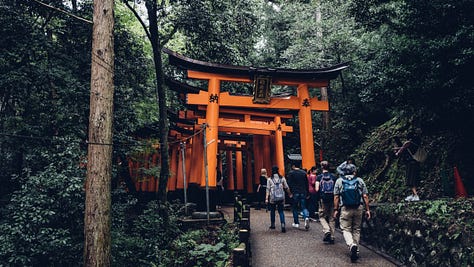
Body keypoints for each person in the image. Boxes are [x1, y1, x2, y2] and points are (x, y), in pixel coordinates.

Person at [333, 164, 371, 262]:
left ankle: (351, 244)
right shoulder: (359, 180)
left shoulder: (339, 181)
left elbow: (336, 197)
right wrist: (367, 210)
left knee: (345, 229)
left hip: (345, 208)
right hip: (358, 207)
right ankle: (356, 250)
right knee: (356, 229)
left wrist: (336, 210)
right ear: (354, 171)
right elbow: (365, 196)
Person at [395, 130, 422, 202]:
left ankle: (416, 196)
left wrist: (397, 152)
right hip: (415, 163)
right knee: (413, 179)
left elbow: (402, 149)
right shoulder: (415, 143)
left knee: (410, 180)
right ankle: (413, 195)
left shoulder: (408, 143)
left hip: (411, 163)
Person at [315, 161, 337, 244]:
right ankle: (332, 236)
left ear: (321, 167)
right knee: (331, 218)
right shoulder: (334, 177)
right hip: (332, 199)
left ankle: (326, 230)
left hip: (323, 199)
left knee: (322, 216)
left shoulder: (319, 177)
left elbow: (317, 189)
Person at [266, 166, 292, 233]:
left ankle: (273, 224)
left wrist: (266, 198)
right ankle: (283, 224)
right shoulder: (282, 178)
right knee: (281, 211)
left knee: (272, 211)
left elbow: (268, 189)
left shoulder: (269, 179)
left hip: (273, 197)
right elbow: (286, 187)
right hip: (281, 197)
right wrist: (289, 194)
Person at [286, 161, 310, 230]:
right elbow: (306, 183)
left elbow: (289, 183)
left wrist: (289, 193)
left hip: (295, 192)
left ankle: (296, 223)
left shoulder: (291, 173)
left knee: (295, 207)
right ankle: (306, 217)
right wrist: (307, 193)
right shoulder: (304, 173)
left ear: (293, 166)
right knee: (303, 207)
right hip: (303, 191)